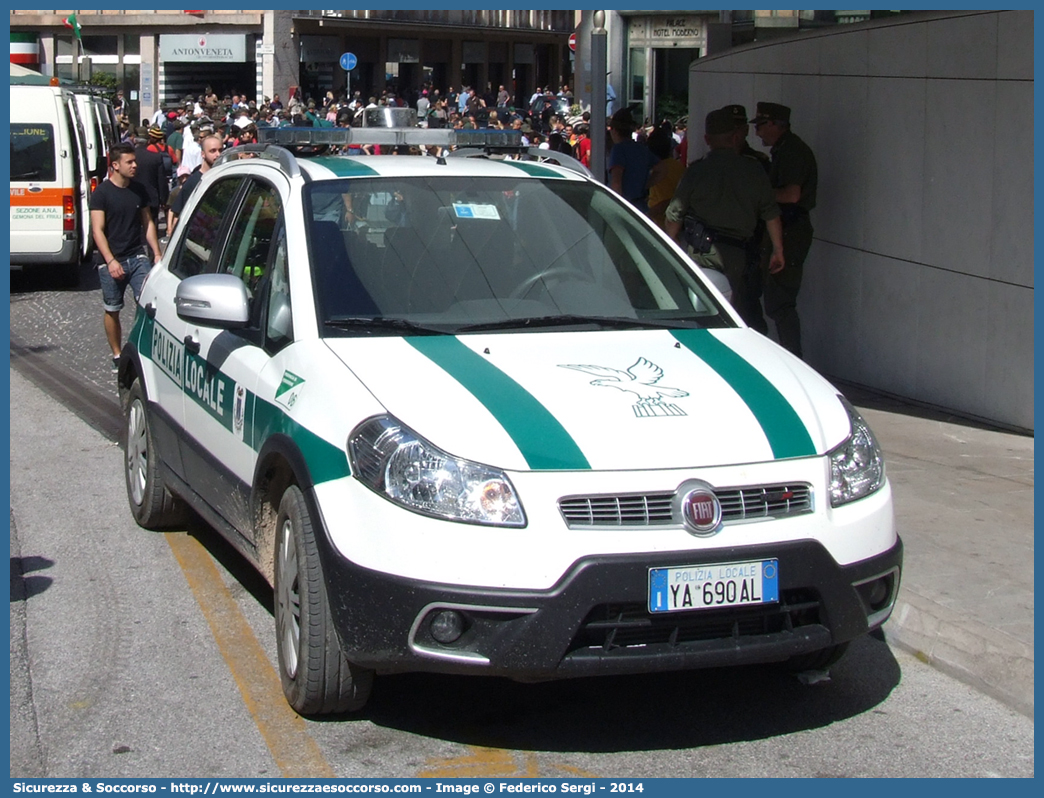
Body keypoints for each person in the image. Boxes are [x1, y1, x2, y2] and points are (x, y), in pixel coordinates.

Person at [664, 108, 784, 314]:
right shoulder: (753, 169)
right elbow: (771, 213)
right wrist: (778, 250)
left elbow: (674, 213)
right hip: (738, 254)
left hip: (701, 250)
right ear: (736, 136)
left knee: (701, 308)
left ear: (706, 139)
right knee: (734, 311)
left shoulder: (697, 171)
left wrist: (670, 244)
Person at [751, 101, 818, 358]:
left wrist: (759, 195)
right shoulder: (784, 149)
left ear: (773, 124)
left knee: (780, 303)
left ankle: (793, 361)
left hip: (790, 228)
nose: (757, 133)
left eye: (760, 126)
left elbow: (791, 195)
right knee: (776, 301)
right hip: (786, 228)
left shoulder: (792, 151)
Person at [90, 143, 162, 372]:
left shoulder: (139, 189)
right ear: (115, 165)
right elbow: (97, 230)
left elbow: (148, 222)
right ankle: (117, 354)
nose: (134, 165)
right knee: (113, 308)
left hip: (137, 256)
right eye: (129, 162)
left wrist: (157, 254)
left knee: (148, 303)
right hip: (111, 260)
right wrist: (110, 261)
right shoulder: (101, 193)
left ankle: (141, 348)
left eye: (134, 161)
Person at [168, 134, 223, 233]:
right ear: (203, 154)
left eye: (220, 150)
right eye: (212, 151)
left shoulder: (225, 178)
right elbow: (177, 215)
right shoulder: (193, 182)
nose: (218, 154)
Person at [607, 109, 659, 213]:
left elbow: (616, 182)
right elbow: (662, 169)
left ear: (615, 130)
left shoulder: (618, 150)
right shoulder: (642, 149)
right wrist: (645, 185)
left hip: (625, 206)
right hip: (640, 205)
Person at [645, 125, 686, 231]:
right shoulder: (677, 166)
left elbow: (666, 202)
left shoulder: (659, 170)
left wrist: (646, 215)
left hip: (662, 226)